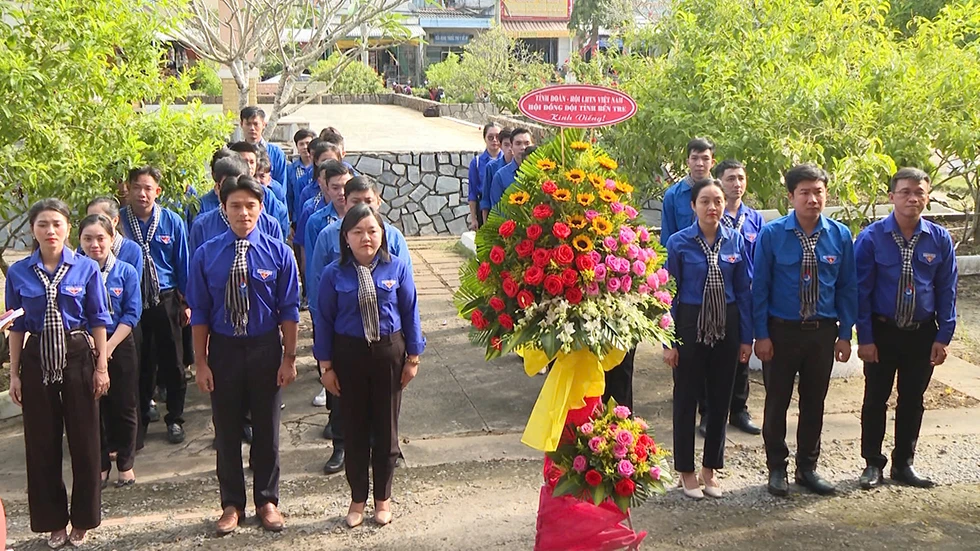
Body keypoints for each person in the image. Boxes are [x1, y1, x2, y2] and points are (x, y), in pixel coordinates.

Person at [187, 175, 300, 535]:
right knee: (227, 431)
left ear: (261, 208)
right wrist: (201, 362)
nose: (243, 212)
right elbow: (200, 311)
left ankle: (267, 500)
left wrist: (289, 358)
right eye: (235, 205)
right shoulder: (206, 254)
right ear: (224, 209)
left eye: (250, 205)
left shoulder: (279, 252)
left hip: (266, 348)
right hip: (224, 349)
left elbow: (289, 311)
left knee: (267, 430)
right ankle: (232, 504)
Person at [5, 198, 111, 548]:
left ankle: (83, 519)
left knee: (85, 441)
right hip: (36, 358)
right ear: (33, 231)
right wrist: (15, 373)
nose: (50, 231)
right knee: (41, 442)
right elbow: (16, 326)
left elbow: (98, 319)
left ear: (68, 228)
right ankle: (53, 522)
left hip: (78, 355)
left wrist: (101, 367)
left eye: (57, 224)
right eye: (42, 225)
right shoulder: (20, 272)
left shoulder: (85, 269)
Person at [314, 204, 425, 528]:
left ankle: (383, 499)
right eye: (358, 232)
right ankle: (357, 500)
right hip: (348, 357)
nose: (366, 238)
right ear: (345, 238)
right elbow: (323, 321)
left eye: (372, 231)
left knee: (386, 432)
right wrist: (326, 367)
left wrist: (413, 358)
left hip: (388, 354)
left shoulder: (397, 268)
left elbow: (410, 313)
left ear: (382, 235)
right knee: (354, 431)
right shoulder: (333, 274)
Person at [752, 163, 857, 497]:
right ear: (791, 197)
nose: (813, 199)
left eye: (819, 192)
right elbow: (759, 289)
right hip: (781, 333)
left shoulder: (839, 235)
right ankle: (776, 469)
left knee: (814, 403)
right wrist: (761, 335)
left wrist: (845, 334)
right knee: (777, 402)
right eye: (805, 193)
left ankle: (807, 468)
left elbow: (847, 288)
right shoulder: (772, 235)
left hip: (822, 333)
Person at [854, 168, 957, 490]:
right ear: (892, 197)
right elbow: (861, 291)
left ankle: (904, 464)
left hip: (922, 334)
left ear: (927, 197)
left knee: (912, 400)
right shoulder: (871, 238)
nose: (913, 198)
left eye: (920, 193)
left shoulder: (939, 239)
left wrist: (944, 336)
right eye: (905, 192)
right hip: (883, 334)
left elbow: (947, 289)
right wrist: (865, 338)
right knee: (875, 399)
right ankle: (872, 463)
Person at [309, 176, 413, 472]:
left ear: (378, 201)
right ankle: (342, 446)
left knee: (385, 406)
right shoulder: (330, 235)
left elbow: (406, 295)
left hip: (384, 341)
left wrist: (411, 351)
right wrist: (323, 356)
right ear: (344, 201)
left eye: (369, 201)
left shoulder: (391, 237)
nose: (363, 207)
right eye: (356, 202)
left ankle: (386, 453)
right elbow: (319, 291)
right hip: (346, 338)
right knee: (343, 402)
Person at [663, 179, 752, 500]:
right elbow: (667, 295)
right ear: (693, 206)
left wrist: (746, 338)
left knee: (720, 399)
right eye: (705, 201)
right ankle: (686, 470)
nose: (712, 207)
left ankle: (709, 469)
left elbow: (743, 291)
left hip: (726, 323)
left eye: (717, 201)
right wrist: (668, 341)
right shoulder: (679, 243)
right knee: (686, 397)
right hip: (689, 322)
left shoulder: (736, 241)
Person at [120, 166, 192, 445]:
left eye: (148, 188)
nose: (142, 193)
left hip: (166, 298)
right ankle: (141, 418)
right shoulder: (120, 222)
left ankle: (174, 417)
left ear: (157, 192)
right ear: (128, 189)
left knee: (173, 361)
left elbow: (182, 263)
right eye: (136, 187)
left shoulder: (172, 221)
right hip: (132, 300)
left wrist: (186, 302)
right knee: (140, 361)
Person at [695, 160, 766, 437]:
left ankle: (739, 410)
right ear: (719, 182)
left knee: (741, 355)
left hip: (742, 296)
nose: (737, 184)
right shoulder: (711, 215)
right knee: (707, 358)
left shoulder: (754, 219)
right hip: (711, 298)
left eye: (741, 178)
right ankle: (708, 413)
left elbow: (759, 257)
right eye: (730, 179)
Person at [79, 214, 142, 489]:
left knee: (125, 404)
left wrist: (109, 346)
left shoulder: (126, 271)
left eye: (100, 238)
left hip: (120, 344)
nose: (95, 245)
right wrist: (95, 347)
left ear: (111, 239)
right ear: (79, 241)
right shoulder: (75, 272)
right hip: (86, 348)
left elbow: (131, 313)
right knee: (94, 408)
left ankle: (126, 463)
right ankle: (102, 464)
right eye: (88, 239)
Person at [190, 156, 284, 252]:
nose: (236, 190)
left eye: (242, 184)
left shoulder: (270, 225)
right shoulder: (202, 226)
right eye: (229, 185)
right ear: (217, 188)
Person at [226, 142, 290, 236]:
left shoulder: (266, 194)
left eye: (252, 162)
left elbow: (281, 222)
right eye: (244, 161)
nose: (249, 166)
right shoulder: (225, 191)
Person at [660, 138, 716, 246]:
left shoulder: (722, 194)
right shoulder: (673, 195)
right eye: (694, 158)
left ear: (712, 162)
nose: (700, 163)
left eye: (705, 159)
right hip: (683, 258)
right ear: (688, 162)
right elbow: (667, 237)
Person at [483, 128, 534, 218]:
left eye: (527, 143)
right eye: (518, 143)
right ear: (511, 147)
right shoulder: (500, 176)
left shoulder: (541, 173)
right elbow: (497, 210)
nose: (523, 147)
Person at [467, 123, 502, 230]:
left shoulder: (508, 161)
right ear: (485, 139)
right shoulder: (476, 162)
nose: (494, 140)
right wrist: (474, 219)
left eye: (498, 137)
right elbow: (472, 192)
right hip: (483, 207)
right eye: (490, 137)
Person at [241, 106, 287, 188]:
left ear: (264, 124)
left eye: (256, 124)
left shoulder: (276, 153)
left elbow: (282, 189)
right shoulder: (236, 152)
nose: (252, 128)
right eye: (248, 124)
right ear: (241, 124)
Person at [479, 127, 513, 217]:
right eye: (506, 145)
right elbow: (485, 199)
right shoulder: (491, 167)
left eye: (512, 145)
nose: (510, 149)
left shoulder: (524, 167)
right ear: (500, 146)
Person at [287, 129, 317, 226]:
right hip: (298, 218)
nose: (305, 147)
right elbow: (289, 196)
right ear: (297, 146)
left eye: (307, 143)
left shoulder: (319, 168)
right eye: (301, 144)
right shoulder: (291, 169)